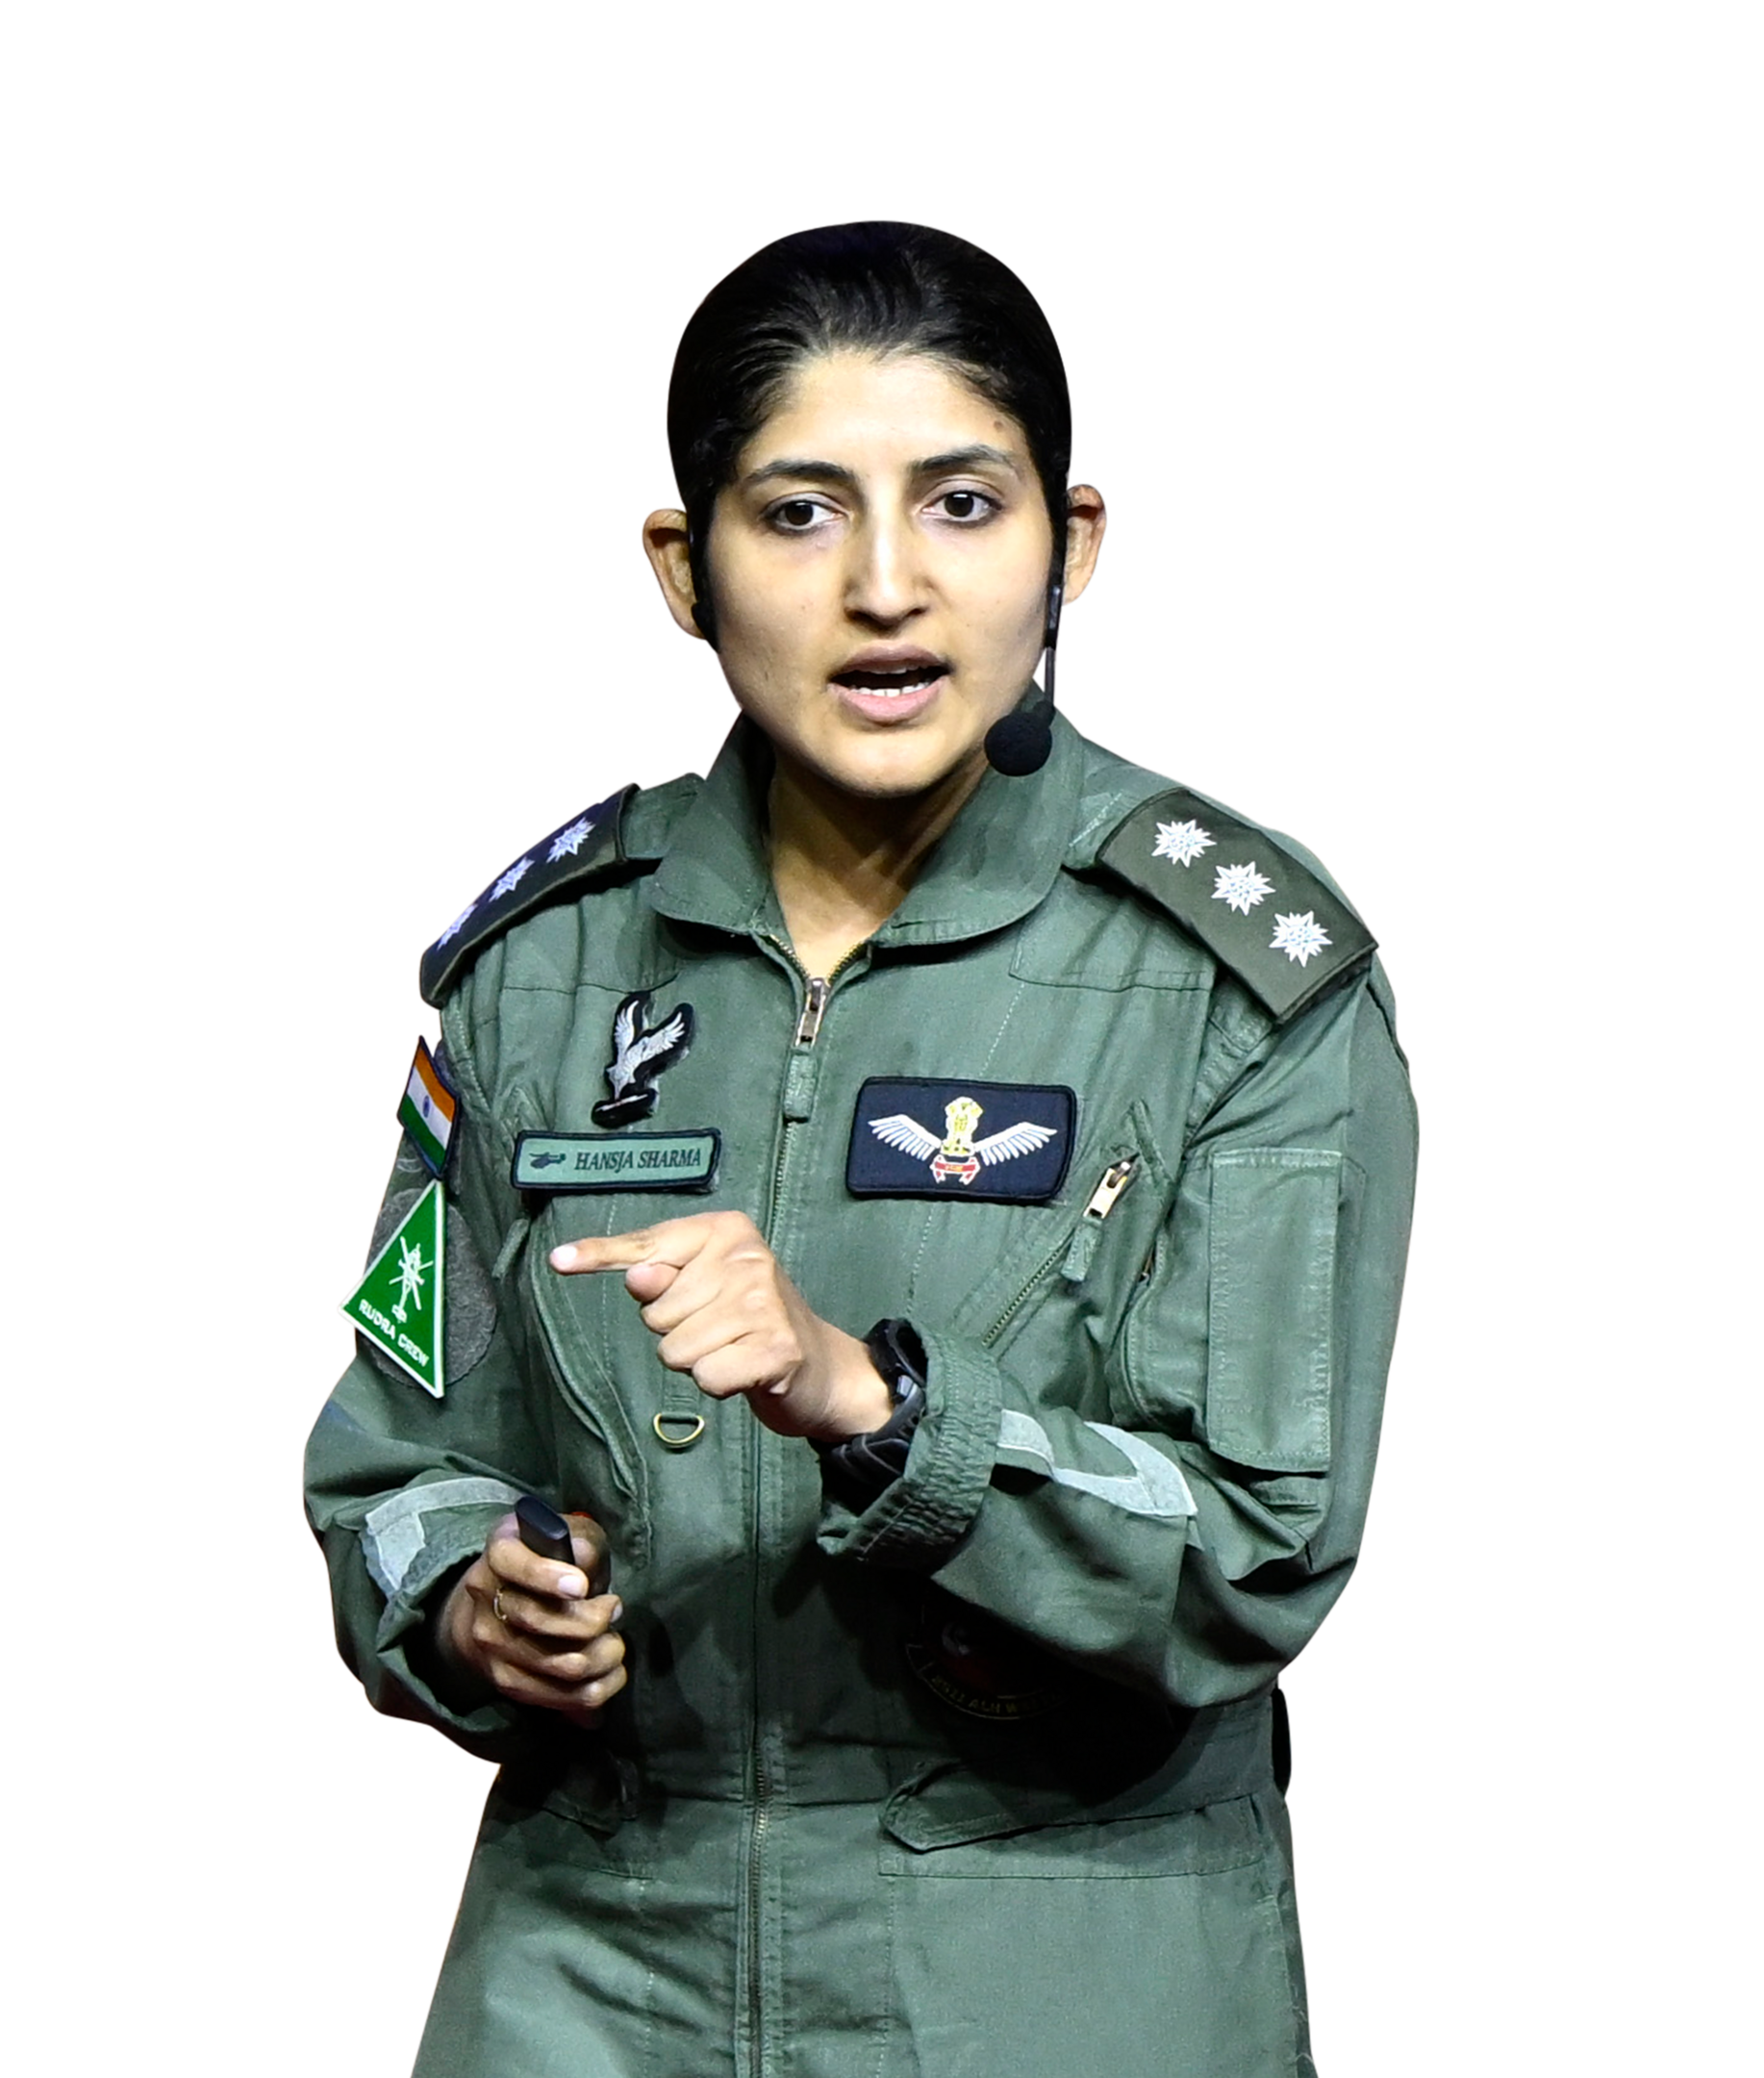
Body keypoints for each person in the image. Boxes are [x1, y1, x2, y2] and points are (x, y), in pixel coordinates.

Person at [305, 218, 1418, 2076]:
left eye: (963, 506)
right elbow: (394, 1463)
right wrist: (470, 1590)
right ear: (683, 566)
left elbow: (1255, 1553)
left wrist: (871, 1405)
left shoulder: (1243, 978)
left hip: (1055, 1978)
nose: (887, 587)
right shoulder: (529, 969)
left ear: (1071, 547)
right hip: (586, 1967)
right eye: (800, 513)